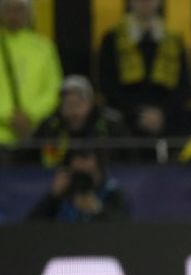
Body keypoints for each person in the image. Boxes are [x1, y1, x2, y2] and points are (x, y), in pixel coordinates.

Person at [97, 0, 191, 139]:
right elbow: (107, 85)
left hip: (168, 120)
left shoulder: (174, 39)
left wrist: (162, 113)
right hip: (125, 120)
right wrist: (136, 113)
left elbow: (184, 86)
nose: (145, 2)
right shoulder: (112, 38)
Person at [0, 0, 62, 158]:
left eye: (19, 9)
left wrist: (30, 115)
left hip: (35, 136)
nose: (14, 15)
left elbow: (54, 90)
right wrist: (8, 116)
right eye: (9, 9)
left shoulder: (44, 47)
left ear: (29, 13)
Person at [34, 75, 130, 167]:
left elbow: (132, 161)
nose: (73, 111)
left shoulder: (111, 124)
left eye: (78, 103)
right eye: (67, 104)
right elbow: (24, 158)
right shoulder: (49, 126)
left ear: (91, 103)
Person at [27, 149, 130, 222]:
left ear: (98, 162)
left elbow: (124, 226)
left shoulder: (111, 191)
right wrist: (52, 196)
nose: (78, 162)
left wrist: (98, 210)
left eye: (84, 157)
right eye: (74, 158)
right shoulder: (62, 192)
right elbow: (30, 228)